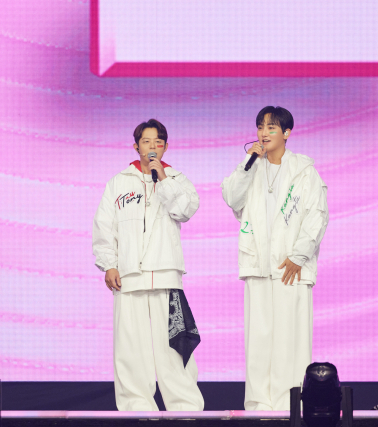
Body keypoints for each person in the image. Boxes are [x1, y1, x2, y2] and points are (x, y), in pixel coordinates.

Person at [221, 106, 329, 411]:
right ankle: (258, 406)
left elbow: (317, 215)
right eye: (260, 127)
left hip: (291, 268)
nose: (264, 133)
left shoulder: (304, 170)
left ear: (286, 133)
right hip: (257, 265)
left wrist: (298, 256)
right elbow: (231, 198)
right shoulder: (250, 167)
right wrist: (247, 163)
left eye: (271, 127)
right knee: (258, 341)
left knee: (289, 341)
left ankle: (288, 405)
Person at [93, 119, 204, 411]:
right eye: (146, 142)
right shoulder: (118, 182)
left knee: (173, 348)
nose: (152, 147)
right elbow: (104, 226)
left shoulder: (177, 179)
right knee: (131, 349)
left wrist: (163, 179)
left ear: (165, 147)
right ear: (136, 146)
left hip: (166, 276)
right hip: (129, 277)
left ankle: (185, 409)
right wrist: (109, 264)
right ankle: (137, 410)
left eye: (158, 142)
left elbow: (185, 210)